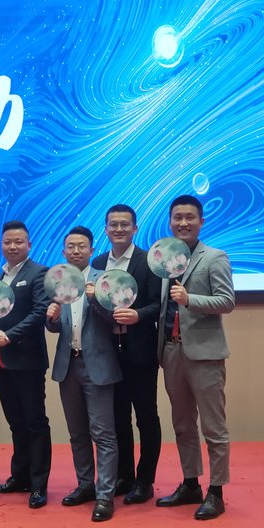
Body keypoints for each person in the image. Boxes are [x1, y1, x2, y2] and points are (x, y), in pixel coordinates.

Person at [156, 195, 235, 520]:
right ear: (170, 222)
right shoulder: (165, 261)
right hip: (172, 351)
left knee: (214, 428)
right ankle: (191, 484)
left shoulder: (214, 257)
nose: (183, 223)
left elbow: (227, 301)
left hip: (205, 355)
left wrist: (190, 299)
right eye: (177, 217)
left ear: (201, 221)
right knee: (183, 424)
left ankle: (216, 492)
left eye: (190, 217)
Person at [45, 226, 121, 522]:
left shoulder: (104, 279)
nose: (76, 251)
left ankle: (105, 495)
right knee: (77, 432)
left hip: (97, 365)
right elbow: (55, 326)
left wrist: (95, 299)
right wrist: (51, 319)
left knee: (103, 434)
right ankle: (86, 485)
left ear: (91, 250)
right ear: (63, 251)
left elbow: (115, 320)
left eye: (81, 246)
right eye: (71, 247)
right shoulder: (58, 281)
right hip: (69, 365)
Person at [90, 204, 164, 505]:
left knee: (146, 417)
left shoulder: (148, 262)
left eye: (124, 224)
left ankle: (145, 481)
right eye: (113, 224)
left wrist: (138, 315)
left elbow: (159, 305)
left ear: (134, 228)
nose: (118, 229)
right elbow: (96, 306)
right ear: (106, 229)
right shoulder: (98, 263)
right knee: (117, 417)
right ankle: (124, 476)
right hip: (109, 352)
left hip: (141, 352)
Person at [0, 221, 52, 509]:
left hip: (28, 361)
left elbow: (40, 312)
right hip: (2, 362)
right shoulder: (1, 275)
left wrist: (10, 337)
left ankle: (38, 484)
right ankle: (20, 476)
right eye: (7, 242)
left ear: (29, 245)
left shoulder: (39, 273)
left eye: (18, 242)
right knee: (16, 423)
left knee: (35, 423)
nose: (12, 247)